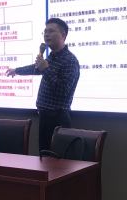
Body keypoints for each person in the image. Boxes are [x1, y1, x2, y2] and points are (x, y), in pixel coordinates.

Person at [6, 18, 80, 151]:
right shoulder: (52, 57)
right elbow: (36, 68)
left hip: (58, 119)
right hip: (45, 117)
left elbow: (63, 90)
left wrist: (46, 69)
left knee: (57, 159)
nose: (46, 34)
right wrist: (16, 71)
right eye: (45, 31)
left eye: (51, 31)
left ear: (63, 35)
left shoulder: (70, 60)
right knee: (44, 157)